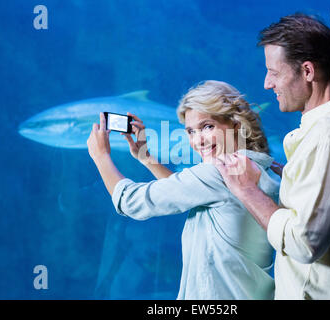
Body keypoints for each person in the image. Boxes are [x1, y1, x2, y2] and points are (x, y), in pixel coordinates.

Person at [215, 14, 330, 300]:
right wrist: (299, 177)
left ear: (307, 71)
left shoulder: (328, 141)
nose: (266, 83)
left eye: (274, 72)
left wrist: (247, 190)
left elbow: (304, 243)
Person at [87, 80, 280, 299]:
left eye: (208, 126)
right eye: (190, 131)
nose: (198, 140)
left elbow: (131, 201)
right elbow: (191, 194)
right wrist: (146, 157)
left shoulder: (220, 172)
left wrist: (100, 156)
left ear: (235, 124)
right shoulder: (262, 167)